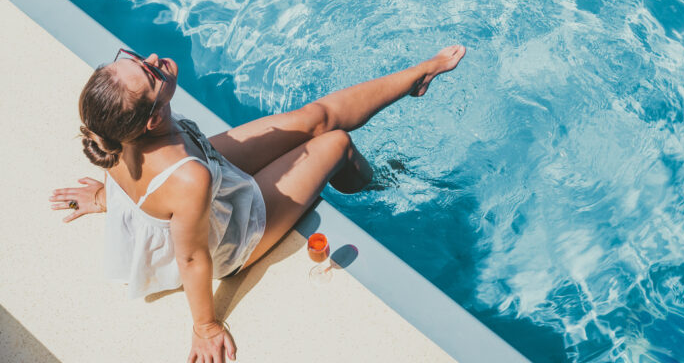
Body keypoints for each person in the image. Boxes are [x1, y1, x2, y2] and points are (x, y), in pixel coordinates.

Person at [49, 44, 466, 362]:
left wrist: (106, 197)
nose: (154, 58)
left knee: (313, 118)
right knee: (335, 143)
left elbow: (126, 176)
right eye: (150, 72)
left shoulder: (109, 127)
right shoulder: (187, 178)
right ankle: (382, 190)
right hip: (231, 235)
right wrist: (206, 325)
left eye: (136, 58)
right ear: (153, 118)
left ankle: (417, 75)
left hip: (206, 174)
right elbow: (193, 259)